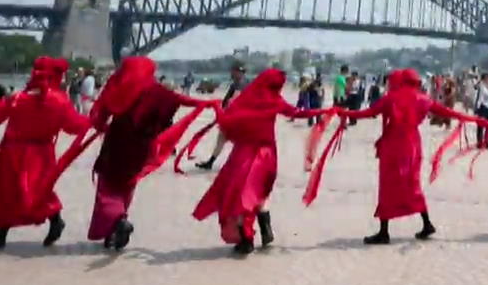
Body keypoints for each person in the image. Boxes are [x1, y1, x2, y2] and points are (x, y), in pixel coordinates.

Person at [323, 69, 488, 244]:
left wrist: (342, 112)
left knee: (388, 186)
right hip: (413, 145)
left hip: (394, 146)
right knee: (413, 185)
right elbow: (448, 112)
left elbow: (367, 113)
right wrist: (483, 121)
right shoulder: (423, 99)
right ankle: (426, 224)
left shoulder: (391, 98)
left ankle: (384, 232)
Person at [0, 56, 89, 250]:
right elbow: (74, 126)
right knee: (39, 192)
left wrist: (0, 101)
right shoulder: (59, 101)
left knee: (5, 192)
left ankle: (2, 236)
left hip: (13, 152)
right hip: (41, 153)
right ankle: (54, 220)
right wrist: (94, 119)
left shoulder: (17, 99)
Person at [83, 57, 219, 250]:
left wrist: (100, 126)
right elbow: (182, 101)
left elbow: (99, 117)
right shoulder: (157, 91)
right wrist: (209, 103)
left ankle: (118, 222)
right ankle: (115, 227)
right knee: (127, 185)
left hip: (116, 142)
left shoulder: (116, 86)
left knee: (107, 188)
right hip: (141, 147)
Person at [191, 68, 329, 255]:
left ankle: (246, 240)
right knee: (260, 193)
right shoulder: (275, 100)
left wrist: (215, 107)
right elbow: (296, 113)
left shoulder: (247, 98)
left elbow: (227, 119)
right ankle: (266, 230)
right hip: (268, 154)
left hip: (245, 154)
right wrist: (327, 111)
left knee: (242, 197)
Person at [195, 62, 247, 170]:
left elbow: (234, 100)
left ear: (239, 72)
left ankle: (238, 163)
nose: (231, 73)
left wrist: (223, 111)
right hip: (233, 117)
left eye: (234, 71)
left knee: (234, 141)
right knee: (224, 139)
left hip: (234, 118)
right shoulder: (239, 83)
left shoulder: (240, 84)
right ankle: (211, 162)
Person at [473, 73, 488, 149]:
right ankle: (479, 142)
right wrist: (476, 109)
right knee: (481, 126)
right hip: (482, 107)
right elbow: (480, 98)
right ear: (485, 79)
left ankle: (486, 141)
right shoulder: (481, 87)